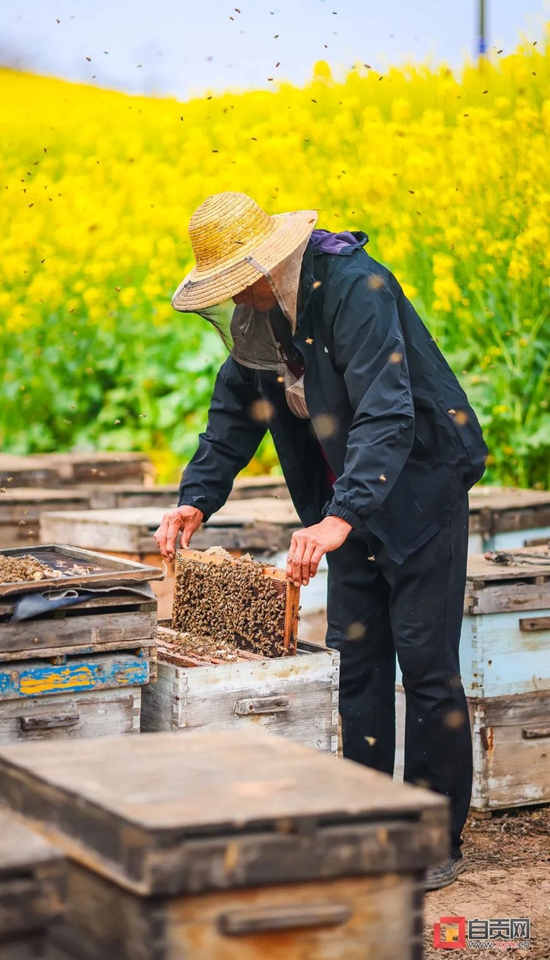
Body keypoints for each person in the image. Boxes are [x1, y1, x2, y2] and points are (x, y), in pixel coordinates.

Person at [154, 191, 488, 890]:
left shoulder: (356, 289)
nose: (237, 299)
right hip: (346, 501)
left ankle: (431, 836)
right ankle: (368, 820)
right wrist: (195, 500)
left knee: (426, 665)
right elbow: (233, 416)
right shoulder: (256, 319)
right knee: (358, 661)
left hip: (420, 485)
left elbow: (388, 413)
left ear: (268, 262)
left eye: (240, 283)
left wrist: (342, 515)